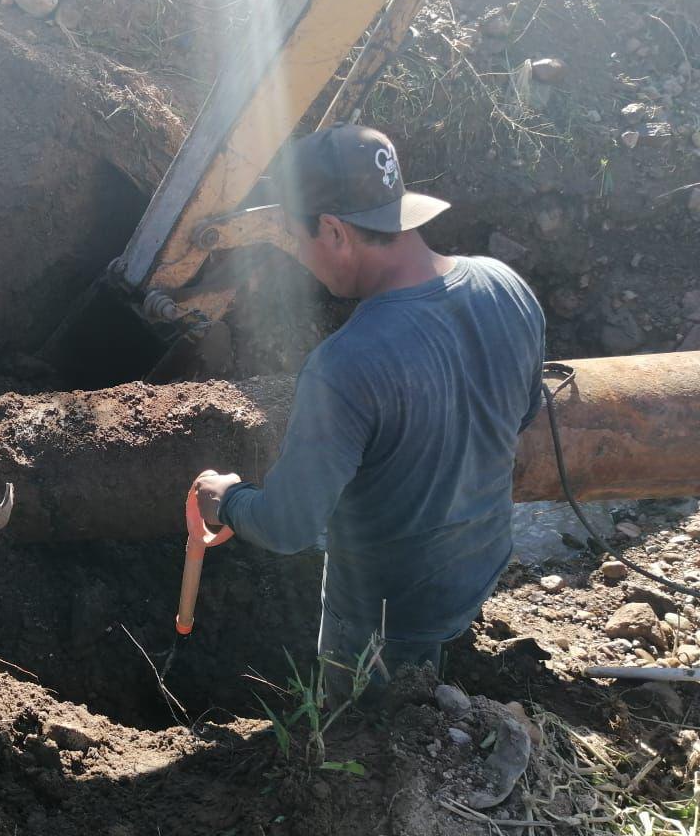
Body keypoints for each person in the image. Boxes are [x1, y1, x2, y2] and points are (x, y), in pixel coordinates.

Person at [193, 125, 546, 703]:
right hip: (479, 564)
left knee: (362, 733)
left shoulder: (345, 364)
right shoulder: (505, 285)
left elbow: (288, 527)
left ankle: (384, 736)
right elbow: (523, 413)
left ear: (332, 229)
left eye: (296, 241)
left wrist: (227, 496)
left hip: (387, 609)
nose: (302, 260)